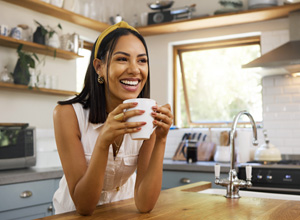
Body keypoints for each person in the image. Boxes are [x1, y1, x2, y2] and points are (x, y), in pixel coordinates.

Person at [52, 21, 173, 216]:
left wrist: (161, 138)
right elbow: (84, 206)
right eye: (123, 59)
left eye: (142, 60)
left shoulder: (147, 116)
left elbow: (144, 204)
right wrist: (103, 142)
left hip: (120, 212)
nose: (135, 69)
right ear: (99, 67)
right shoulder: (67, 114)